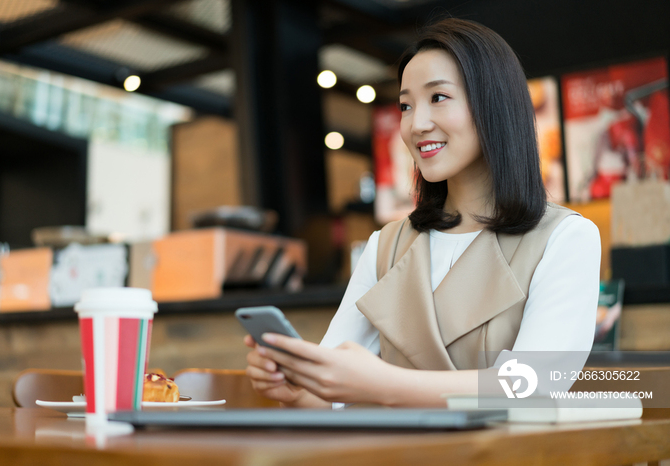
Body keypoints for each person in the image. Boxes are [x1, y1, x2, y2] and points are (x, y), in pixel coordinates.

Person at [244, 17, 601, 408]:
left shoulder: (565, 238)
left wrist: (382, 385)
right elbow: (335, 395)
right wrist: (297, 390)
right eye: (405, 105)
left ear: (493, 104)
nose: (417, 124)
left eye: (438, 98)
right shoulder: (386, 246)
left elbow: (532, 387)